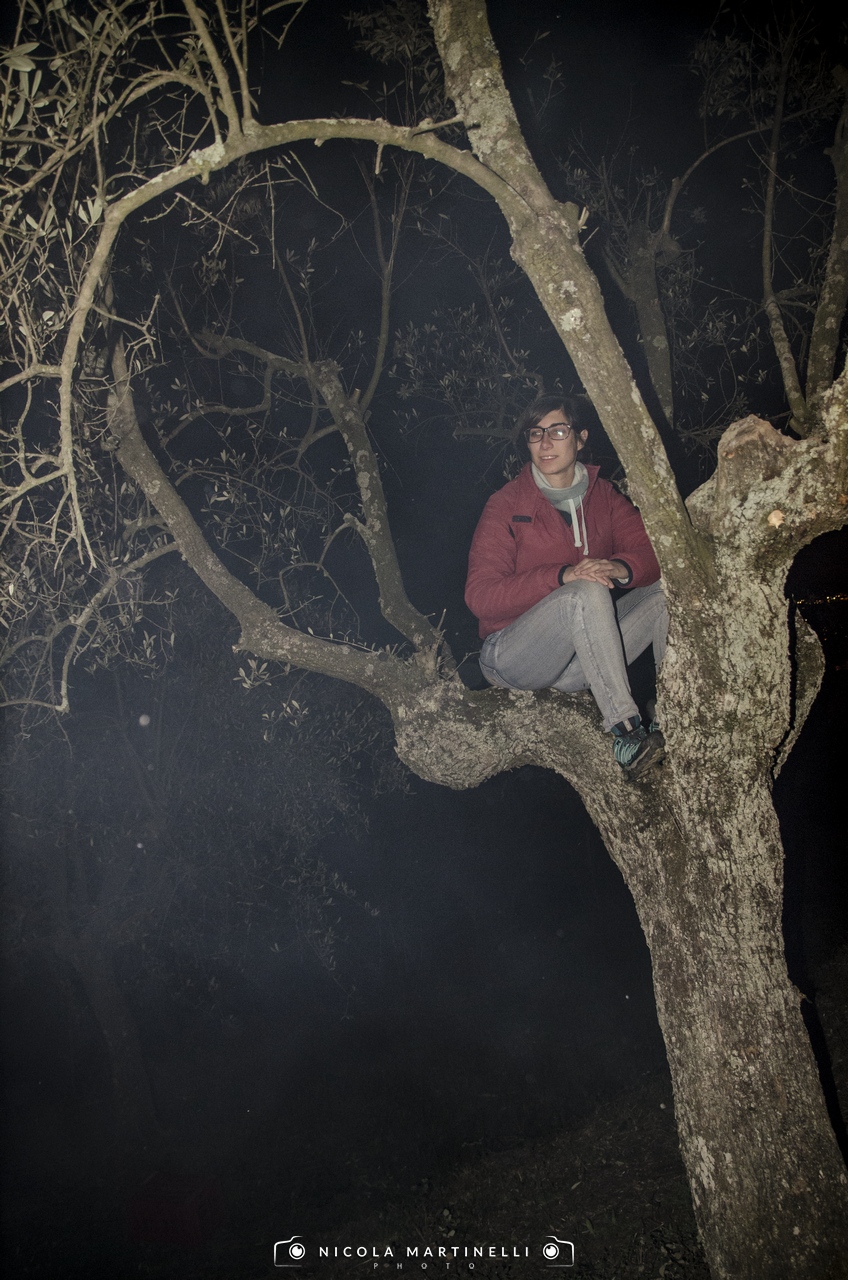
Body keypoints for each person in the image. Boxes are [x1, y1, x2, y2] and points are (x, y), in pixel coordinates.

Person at [465, 395, 668, 776]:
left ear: (580, 438)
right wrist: (561, 576)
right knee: (586, 590)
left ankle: (673, 714)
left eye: (558, 431)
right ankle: (626, 732)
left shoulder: (605, 497)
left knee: (667, 591)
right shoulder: (506, 503)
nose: (545, 443)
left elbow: (654, 555)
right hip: (511, 655)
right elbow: (481, 596)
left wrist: (620, 567)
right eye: (535, 433)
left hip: (576, 666)